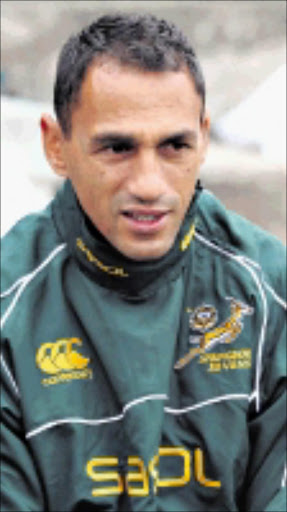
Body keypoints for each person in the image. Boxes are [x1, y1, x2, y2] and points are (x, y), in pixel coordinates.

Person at [1, 13, 286, 512]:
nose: (150, 184)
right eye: (117, 147)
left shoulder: (269, 291)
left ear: (203, 137)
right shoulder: (11, 310)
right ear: (56, 145)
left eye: (175, 145)